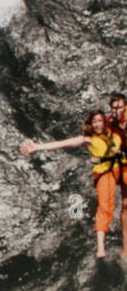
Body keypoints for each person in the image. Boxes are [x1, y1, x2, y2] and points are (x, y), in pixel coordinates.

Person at [21, 110, 126, 259]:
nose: (97, 124)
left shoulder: (113, 132)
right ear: (90, 125)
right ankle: (101, 248)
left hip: (120, 168)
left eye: (100, 121)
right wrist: (37, 147)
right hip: (105, 173)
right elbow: (63, 143)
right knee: (105, 207)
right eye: (94, 122)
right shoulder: (88, 139)